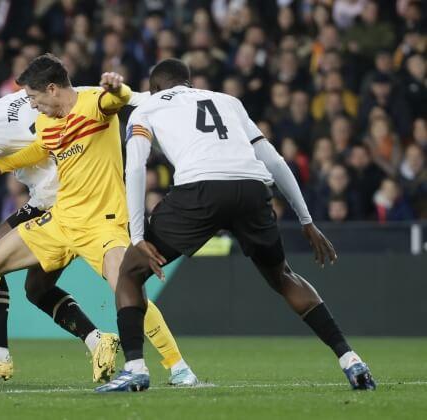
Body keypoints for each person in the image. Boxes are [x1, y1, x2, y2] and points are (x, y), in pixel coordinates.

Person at [0, 56, 198, 386]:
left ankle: (179, 367)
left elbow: (118, 100)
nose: (32, 105)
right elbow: (39, 149)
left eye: (34, 98)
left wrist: (117, 87)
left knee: (128, 289)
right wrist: (1, 166)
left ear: (51, 89)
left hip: (102, 223)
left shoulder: (94, 102)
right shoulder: (47, 122)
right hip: (60, 219)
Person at [96, 58, 375, 392]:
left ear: (155, 88)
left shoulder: (148, 108)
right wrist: (307, 220)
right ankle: (351, 359)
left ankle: (136, 369)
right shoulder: (228, 101)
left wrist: (138, 236)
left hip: (200, 189)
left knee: (129, 273)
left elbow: (136, 168)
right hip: (252, 188)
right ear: (190, 81)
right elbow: (274, 160)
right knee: (283, 276)